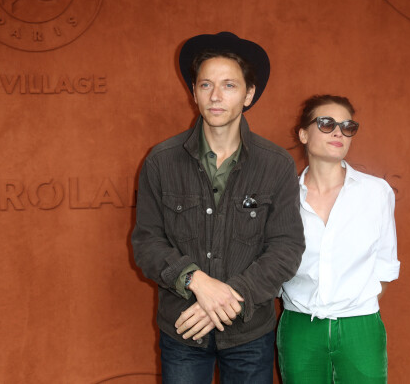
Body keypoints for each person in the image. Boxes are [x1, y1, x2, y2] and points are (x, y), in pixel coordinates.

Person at [131, 31, 305, 384]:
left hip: (249, 332)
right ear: (194, 92)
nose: (215, 96)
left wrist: (226, 299)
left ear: (249, 94)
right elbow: (147, 243)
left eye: (229, 85)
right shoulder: (160, 161)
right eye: (206, 84)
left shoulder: (276, 164)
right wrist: (196, 281)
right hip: (182, 329)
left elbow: (286, 248)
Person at [277, 95, 400, 383]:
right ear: (304, 133)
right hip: (299, 326)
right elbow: (272, 263)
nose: (338, 132)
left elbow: (384, 263)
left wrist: (350, 306)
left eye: (347, 127)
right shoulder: (283, 198)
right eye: (326, 123)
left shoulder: (376, 193)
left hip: (361, 326)